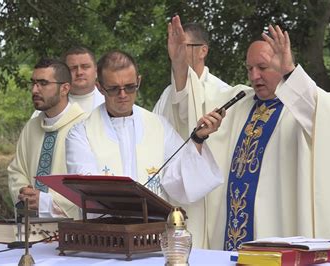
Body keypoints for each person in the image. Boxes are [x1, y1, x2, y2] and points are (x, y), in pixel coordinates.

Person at [161, 15, 330, 250]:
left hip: (278, 229)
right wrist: (181, 64)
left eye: (262, 68)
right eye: (249, 68)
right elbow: (190, 106)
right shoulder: (239, 102)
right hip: (230, 232)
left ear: (283, 65)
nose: (254, 76)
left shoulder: (303, 109)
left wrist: (291, 73)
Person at [65, 51, 225, 247]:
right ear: (100, 88)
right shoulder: (81, 133)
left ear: (138, 81)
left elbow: (178, 178)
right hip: (106, 239)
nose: (123, 95)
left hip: (154, 239)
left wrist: (199, 138)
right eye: (114, 89)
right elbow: (88, 187)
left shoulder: (158, 125)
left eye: (130, 87)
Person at [8, 58, 87, 219]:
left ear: (64, 88)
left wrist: (46, 202)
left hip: (72, 230)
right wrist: (26, 195)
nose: (35, 90)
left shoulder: (85, 127)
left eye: (43, 83)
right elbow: (17, 171)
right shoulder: (31, 128)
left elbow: (88, 184)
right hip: (32, 227)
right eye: (34, 83)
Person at [153, 22, 235, 140]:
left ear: (203, 51)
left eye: (182, 46)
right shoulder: (167, 93)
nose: (177, 52)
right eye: (174, 46)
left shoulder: (223, 93)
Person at [31, 46, 104, 118]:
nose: (79, 72)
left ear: (96, 71)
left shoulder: (109, 103)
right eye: (73, 68)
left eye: (85, 67)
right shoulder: (47, 107)